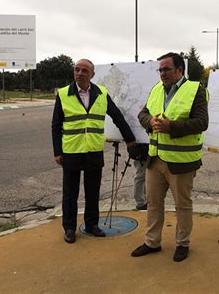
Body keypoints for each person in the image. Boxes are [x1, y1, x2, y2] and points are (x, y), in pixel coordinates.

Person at [131, 52, 209, 262]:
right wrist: (150, 122)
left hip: (181, 162)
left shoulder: (195, 90)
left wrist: (171, 127)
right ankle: (152, 242)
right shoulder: (157, 89)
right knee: (153, 203)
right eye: (160, 69)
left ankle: (182, 244)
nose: (162, 73)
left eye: (166, 69)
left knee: (182, 205)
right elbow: (142, 113)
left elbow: (202, 122)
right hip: (155, 159)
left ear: (179, 70)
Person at [52, 58, 136, 244]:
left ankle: (91, 224)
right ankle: (70, 228)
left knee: (93, 192)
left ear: (92, 75)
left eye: (84, 70)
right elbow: (56, 125)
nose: (79, 73)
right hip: (71, 151)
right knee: (70, 193)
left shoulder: (101, 94)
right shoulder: (64, 94)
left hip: (94, 151)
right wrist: (57, 151)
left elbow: (117, 116)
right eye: (77, 70)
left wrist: (130, 139)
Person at [133, 143, 149, 211]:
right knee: (140, 177)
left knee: (143, 177)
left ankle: (143, 201)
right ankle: (140, 203)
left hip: (143, 151)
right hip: (142, 152)